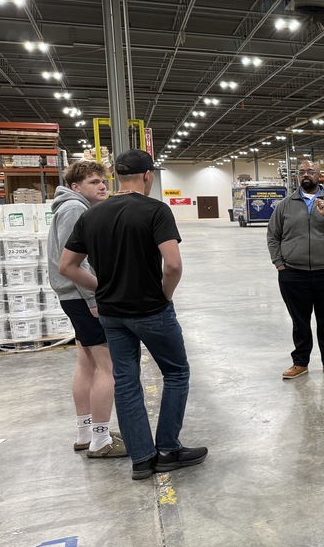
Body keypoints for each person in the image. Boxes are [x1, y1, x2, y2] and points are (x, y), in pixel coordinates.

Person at [59, 149, 207, 481]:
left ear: (115, 178)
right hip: (150, 309)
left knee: (126, 382)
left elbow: (66, 266)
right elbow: (173, 264)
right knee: (176, 374)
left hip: (112, 314)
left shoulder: (92, 215)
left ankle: (141, 458)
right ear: (148, 176)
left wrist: (100, 288)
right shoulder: (156, 210)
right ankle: (168, 450)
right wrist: (163, 297)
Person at [47, 161, 125, 458]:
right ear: (76, 187)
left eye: (103, 181)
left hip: (74, 297)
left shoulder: (72, 207)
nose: (102, 186)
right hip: (82, 297)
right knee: (109, 368)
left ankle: (86, 433)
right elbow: (73, 262)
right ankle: (102, 440)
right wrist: (94, 300)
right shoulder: (74, 210)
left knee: (87, 364)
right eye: (94, 182)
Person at [267, 160, 324, 379]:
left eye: (310, 171)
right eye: (302, 172)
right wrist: (279, 264)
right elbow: (273, 235)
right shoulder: (285, 204)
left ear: (318, 175)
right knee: (299, 320)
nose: (306, 175)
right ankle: (300, 363)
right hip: (293, 273)